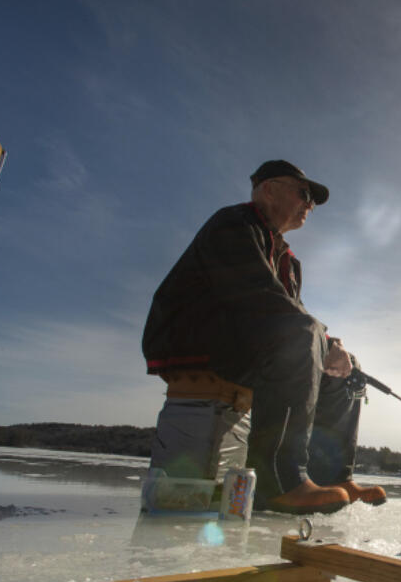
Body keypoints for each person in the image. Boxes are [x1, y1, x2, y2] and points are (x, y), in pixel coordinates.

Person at [142, 160, 386, 514]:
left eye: (312, 201)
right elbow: (258, 297)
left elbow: (288, 311)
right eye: (303, 193)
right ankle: (279, 482)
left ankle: (334, 476)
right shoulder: (233, 224)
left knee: (349, 372)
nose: (309, 205)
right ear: (269, 188)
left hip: (242, 346)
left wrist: (333, 348)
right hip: (198, 341)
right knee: (304, 334)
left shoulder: (288, 259)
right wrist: (321, 339)